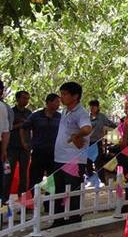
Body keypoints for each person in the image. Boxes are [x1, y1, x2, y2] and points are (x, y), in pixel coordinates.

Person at [52, 82, 92, 227]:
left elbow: (87, 129)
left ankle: (74, 221)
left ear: (75, 96)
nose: (61, 97)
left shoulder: (81, 113)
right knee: (59, 191)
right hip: (59, 157)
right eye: (61, 94)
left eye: (65, 94)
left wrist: (77, 135)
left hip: (74, 160)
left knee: (73, 193)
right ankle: (58, 220)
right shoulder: (64, 110)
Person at [24, 94, 61, 192]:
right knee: (35, 178)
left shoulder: (60, 117)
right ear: (49, 102)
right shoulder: (36, 115)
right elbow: (24, 128)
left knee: (52, 179)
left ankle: (49, 204)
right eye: (57, 101)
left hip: (54, 153)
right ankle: (31, 203)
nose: (59, 104)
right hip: (38, 152)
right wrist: (25, 142)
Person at [3, 90, 32, 202]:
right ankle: (4, 200)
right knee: (7, 174)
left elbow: (30, 128)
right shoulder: (10, 112)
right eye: (24, 98)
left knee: (24, 175)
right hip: (11, 148)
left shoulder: (29, 113)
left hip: (25, 149)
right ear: (17, 98)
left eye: (27, 98)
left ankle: (23, 201)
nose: (26, 100)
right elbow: (6, 128)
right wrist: (19, 125)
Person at [86, 100, 117, 180]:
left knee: (98, 162)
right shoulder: (86, 117)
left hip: (97, 142)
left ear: (97, 107)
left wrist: (119, 126)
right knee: (88, 162)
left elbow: (111, 124)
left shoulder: (102, 117)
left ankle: (102, 180)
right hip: (87, 143)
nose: (92, 108)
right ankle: (90, 180)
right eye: (91, 106)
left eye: (94, 106)